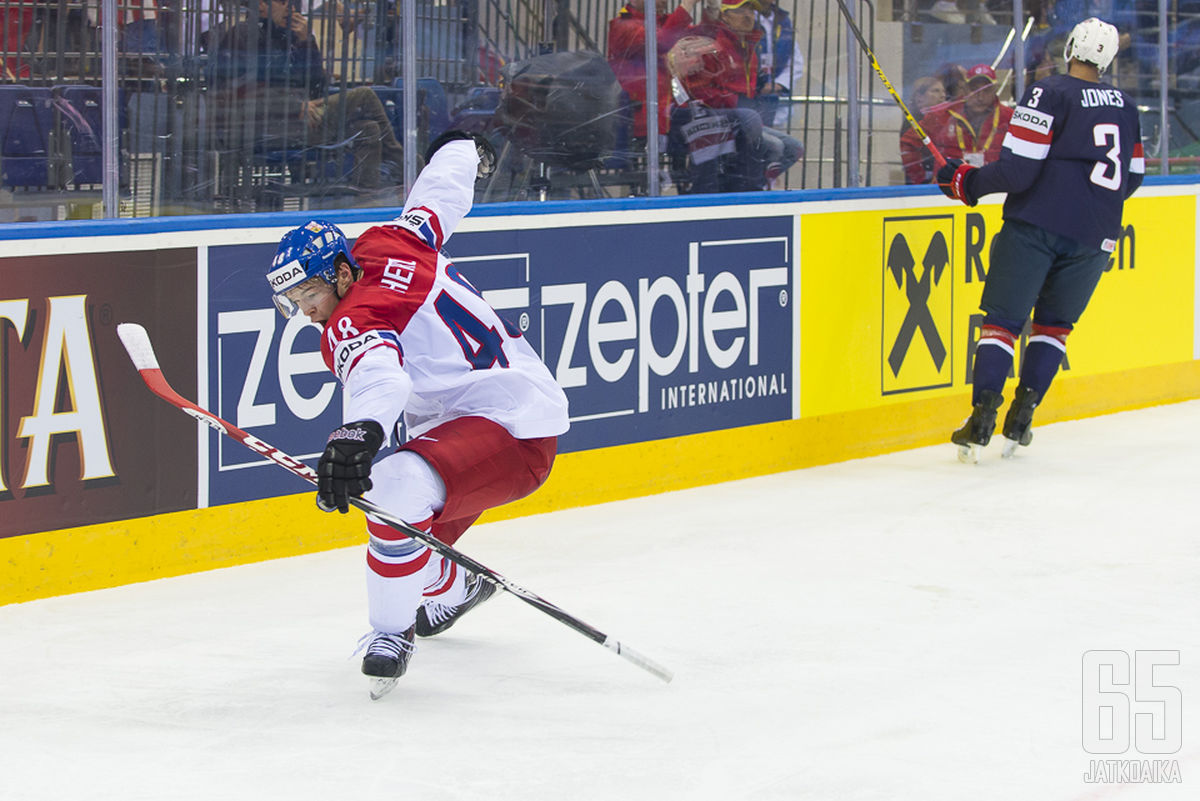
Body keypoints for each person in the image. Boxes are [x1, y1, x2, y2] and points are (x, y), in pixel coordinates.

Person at [265, 131, 570, 698]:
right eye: (294, 302)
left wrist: (358, 434)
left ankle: (390, 634)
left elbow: (380, 374)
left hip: (506, 433)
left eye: (309, 292)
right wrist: (459, 148)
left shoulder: (355, 315)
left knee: (394, 488)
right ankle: (455, 587)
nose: (306, 311)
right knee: (402, 532)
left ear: (338, 273)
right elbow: (437, 195)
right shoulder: (394, 241)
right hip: (486, 429)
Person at [936, 17, 1144, 462]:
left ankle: (981, 419)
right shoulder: (1125, 106)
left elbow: (1017, 171)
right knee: (1054, 328)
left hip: (1036, 227)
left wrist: (963, 182)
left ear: (1070, 48)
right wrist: (1090, 204)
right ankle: (1022, 419)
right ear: (1109, 58)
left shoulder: (1047, 93)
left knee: (1003, 324)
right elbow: (1135, 176)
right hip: (1096, 237)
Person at [210, 0, 405, 190]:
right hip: (263, 126)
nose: (290, 8)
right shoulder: (242, 35)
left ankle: (365, 194)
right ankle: (407, 166)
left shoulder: (289, 35)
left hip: (300, 120)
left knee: (369, 128)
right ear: (261, 5)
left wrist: (306, 42)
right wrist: (294, 105)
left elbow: (316, 85)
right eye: (282, 2)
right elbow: (240, 89)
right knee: (364, 95)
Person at [606, 0, 700, 140]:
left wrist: (712, 11)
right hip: (639, 112)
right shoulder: (622, 25)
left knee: (709, 126)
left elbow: (700, 35)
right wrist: (687, 5)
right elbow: (659, 42)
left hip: (666, 108)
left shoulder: (662, 21)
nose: (664, 1)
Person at [921, 64, 1014, 172]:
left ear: (995, 90)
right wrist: (920, 179)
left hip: (995, 185)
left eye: (986, 90)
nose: (980, 97)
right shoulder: (943, 114)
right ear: (965, 89)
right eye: (974, 90)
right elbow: (911, 143)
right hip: (950, 185)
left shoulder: (1009, 118)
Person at [752, 0, 805, 127]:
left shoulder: (783, 20)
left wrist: (779, 84)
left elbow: (796, 62)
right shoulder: (745, 18)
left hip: (778, 102)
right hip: (752, 98)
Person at [899, 75, 948, 184]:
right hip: (922, 184)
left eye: (943, 91)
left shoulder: (943, 119)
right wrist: (921, 180)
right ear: (919, 97)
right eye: (936, 91)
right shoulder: (912, 122)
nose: (942, 96)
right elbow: (909, 155)